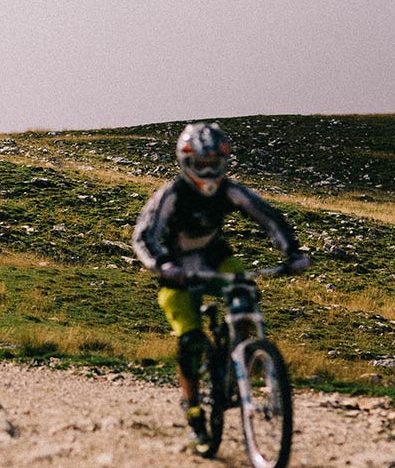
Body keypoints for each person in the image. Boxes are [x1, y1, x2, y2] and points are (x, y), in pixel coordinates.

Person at [131, 122, 310, 446]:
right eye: (201, 165)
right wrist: (161, 265)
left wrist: (292, 251)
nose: (209, 171)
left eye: (214, 164)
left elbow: (267, 216)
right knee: (190, 341)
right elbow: (144, 235)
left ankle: (237, 357)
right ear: (185, 163)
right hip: (177, 271)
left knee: (244, 290)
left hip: (216, 259)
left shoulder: (231, 191)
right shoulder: (171, 195)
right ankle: (194, 408)